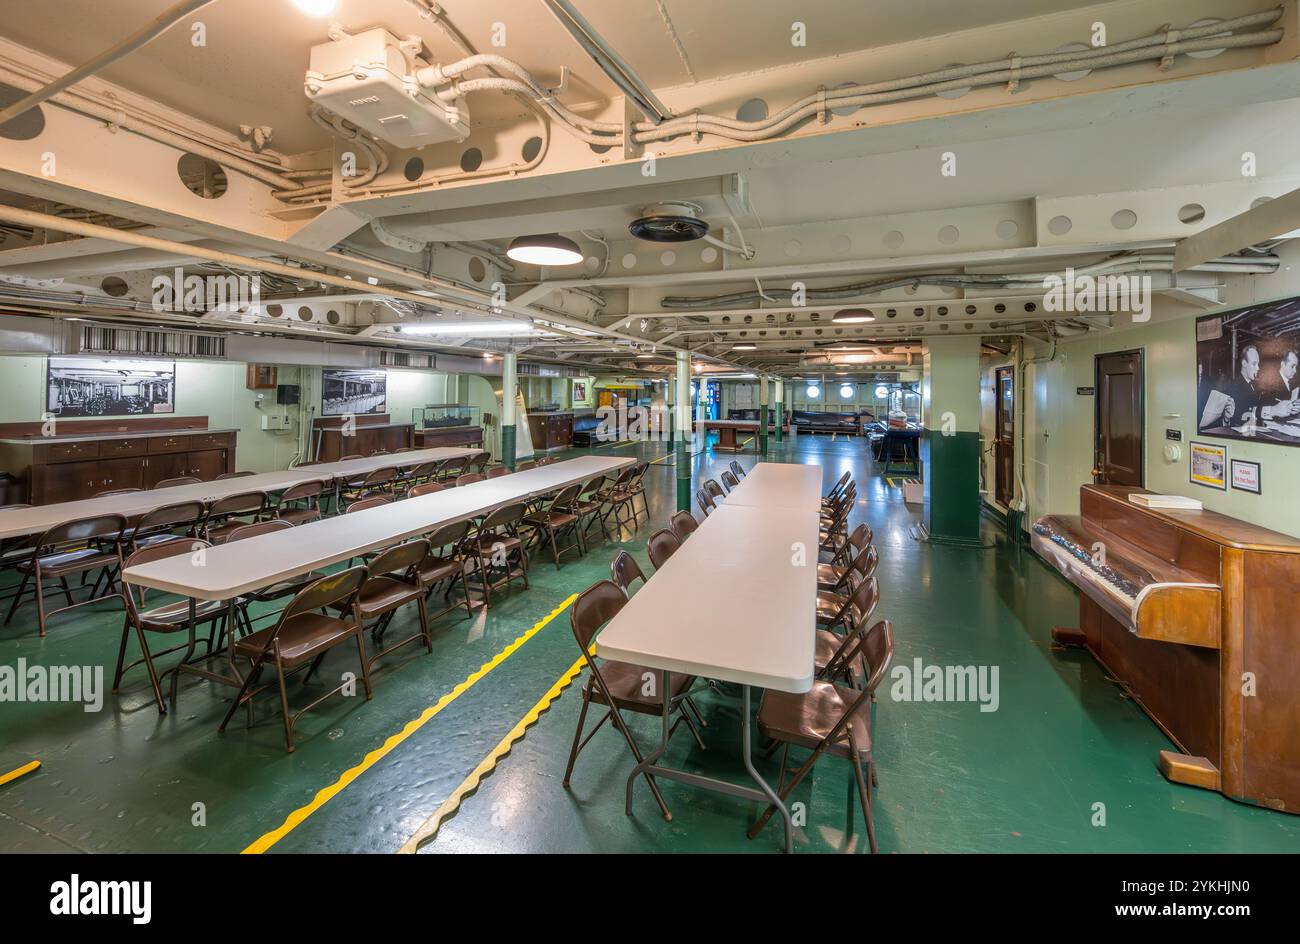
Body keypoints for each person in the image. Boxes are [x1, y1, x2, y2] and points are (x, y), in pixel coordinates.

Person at [1200, 344, 1262, 429]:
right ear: (1244, 363)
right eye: (1254, 364)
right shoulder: (1235, 387)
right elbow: (1238, 418)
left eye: (1258, 364)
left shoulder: (1254, 385)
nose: (1258, 368)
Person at [1260, 349, 1299, 422]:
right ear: (1283, 364)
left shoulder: (1292, 384)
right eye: (1292, 366)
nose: (1295, 370)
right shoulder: (1270, 382)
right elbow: (1263, 408)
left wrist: (1294, 408)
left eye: (1296, 367)